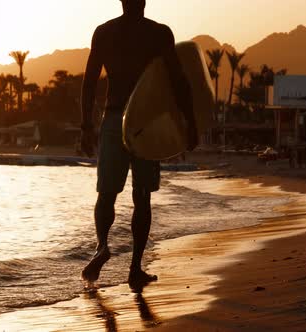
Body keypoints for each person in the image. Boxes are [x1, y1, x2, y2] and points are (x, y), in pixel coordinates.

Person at [80, 0, 198, 291]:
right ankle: (134, 269)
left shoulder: (104, 32)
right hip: (146, 122)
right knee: (141, 196)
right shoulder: (158, 33)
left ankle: (102, 245)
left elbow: (90, 82)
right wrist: (190, 123)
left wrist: (86, 126)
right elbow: (178, 81)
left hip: (113, 118)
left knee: (106, 192)